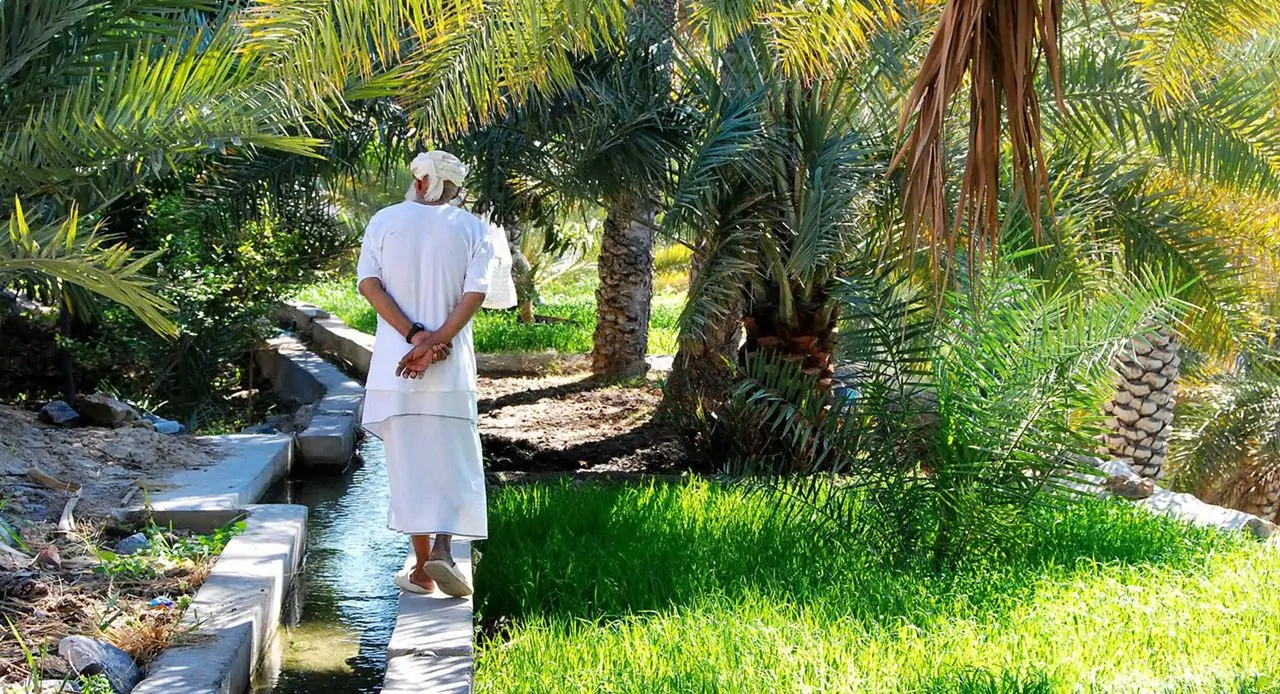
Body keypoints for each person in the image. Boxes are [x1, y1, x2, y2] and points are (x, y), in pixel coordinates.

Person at [356, 150, 494, 598]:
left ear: (421, 183)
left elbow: (369, 285)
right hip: (451, 369)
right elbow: (475, 294)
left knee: (409, 464)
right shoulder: (474, 228)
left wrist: (414, 336)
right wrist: (436, 344)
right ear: (454, 189)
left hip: (395, 368)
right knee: (452, 459)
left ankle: (421, 570)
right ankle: (442, 547)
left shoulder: (383, 221)